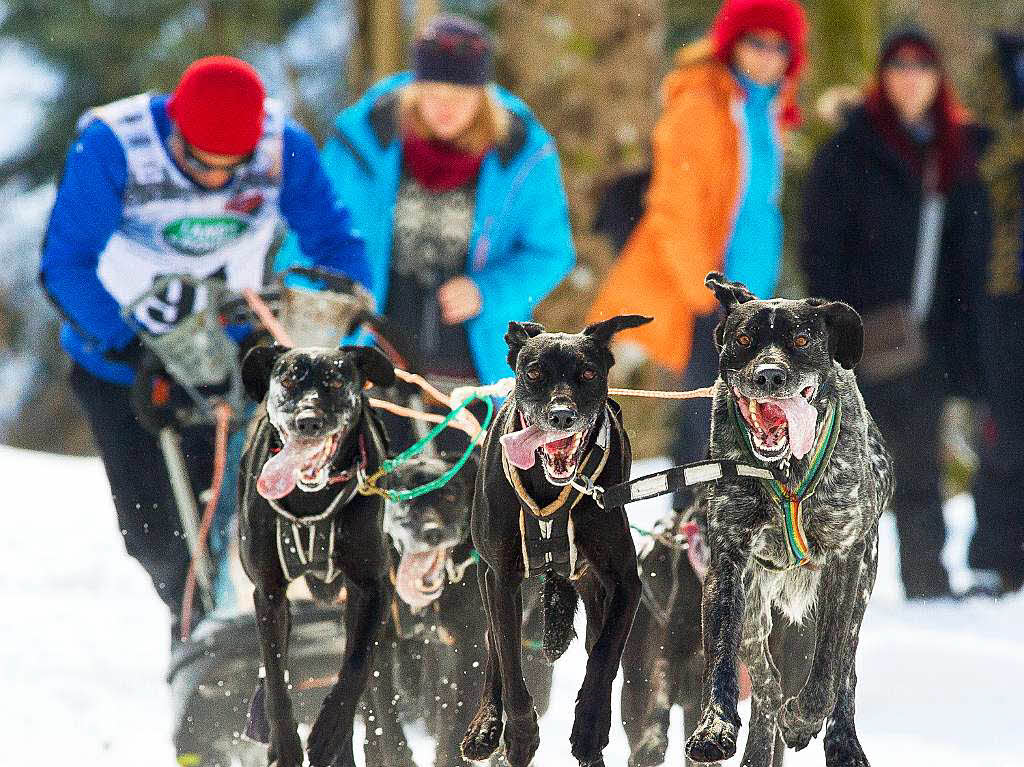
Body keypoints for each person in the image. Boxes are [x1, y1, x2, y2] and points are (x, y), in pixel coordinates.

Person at [40, 55, 371, 636]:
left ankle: (264, 627)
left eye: (231, 166)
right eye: (200, 163)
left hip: (234, 353)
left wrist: (337, 319)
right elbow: (64, 265)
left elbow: (336, 244)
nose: (217, 176)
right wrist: (131, 348)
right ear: (175, 130)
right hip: (126, 362)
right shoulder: (113, 145)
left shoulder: (281, 146)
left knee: (247, 511)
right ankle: (191, 624)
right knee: (157, 536)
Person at [276, 13, 574, 409]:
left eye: (460, 98)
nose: (445, 109)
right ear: (415, 88)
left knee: (468, 470)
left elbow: (552, 253)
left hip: (475, 364)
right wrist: (312, 313)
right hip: (369, 353)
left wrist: (487, 290)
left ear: (483, 96)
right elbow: (310, 236)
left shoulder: (524, 155)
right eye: (433, 93)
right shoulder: (360, 140)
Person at [800, 28, 990, 600]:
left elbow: (970, 256)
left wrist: (954, 334)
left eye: (923, 66)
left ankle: (928, 584)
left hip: (928, 337)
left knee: (920, 468)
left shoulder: (956, 154)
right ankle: (817, 586)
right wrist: (841, 326)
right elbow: (820, 247)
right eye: (899, 66)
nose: (911, 77)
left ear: (938, 78)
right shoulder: (846, 151)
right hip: (858, 340)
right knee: (834, 469)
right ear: (881, 77)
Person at [585, 0, 807, 488]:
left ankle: (719, 525)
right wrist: (705, 292)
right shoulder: (703, 104)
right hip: (710, 291)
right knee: (707, 420)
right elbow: (674, 208)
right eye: (756, 42)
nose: (767, 55)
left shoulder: (766, 108)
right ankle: (691, 536)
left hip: (750, 291)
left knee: (740, 415)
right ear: (732, 45)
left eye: (780, 46)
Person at [970, 31, 1024, 596]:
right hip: (1005, 282)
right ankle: (999, 554)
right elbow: (978, 160)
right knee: (1005, 426)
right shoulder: (997, 62)